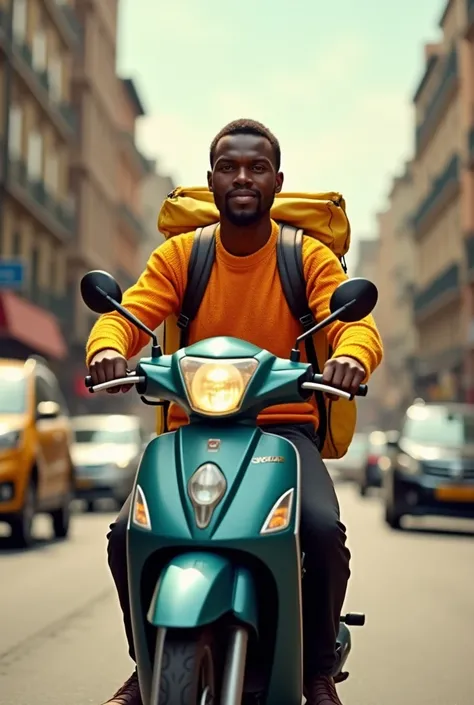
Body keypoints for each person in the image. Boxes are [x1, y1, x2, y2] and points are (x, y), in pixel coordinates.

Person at [86, 118, 383, 705]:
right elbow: (131, 311)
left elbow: (356, 325)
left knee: (321, 532)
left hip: (282, 432)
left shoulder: (308, 256)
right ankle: (144, 665)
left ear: (277, 181)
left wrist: (351, 358)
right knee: (126, 533)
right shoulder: (182, 255)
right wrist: (107, 347)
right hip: (192, 427)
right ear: (211, 180)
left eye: (256, 167)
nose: (242, 177)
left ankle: (317, 668)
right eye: (229, 167)